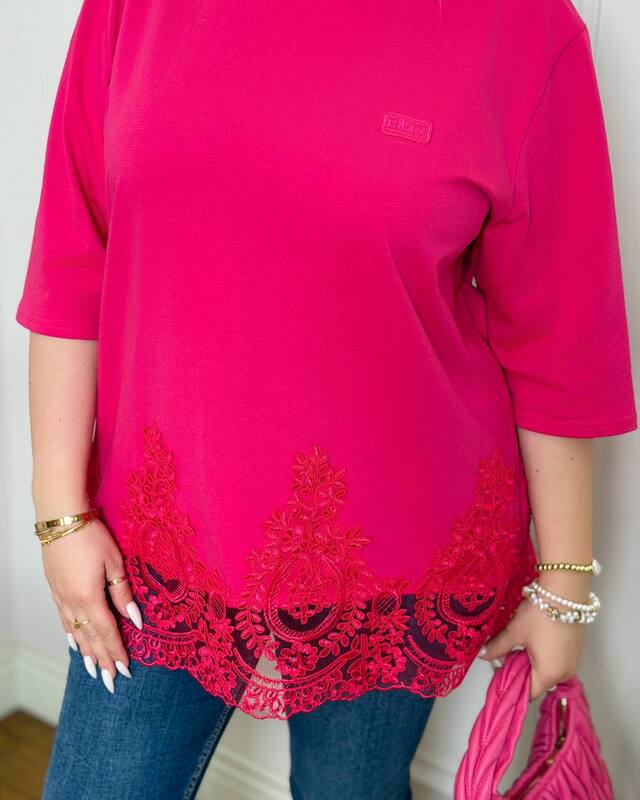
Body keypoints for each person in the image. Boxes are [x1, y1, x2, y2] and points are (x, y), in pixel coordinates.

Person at [15, 1, 637, 798]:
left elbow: (558, 342)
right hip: (153, 541)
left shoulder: (523, 29)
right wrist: (59, 516)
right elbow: (71, 265)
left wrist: (565, 587)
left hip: (396, 557)